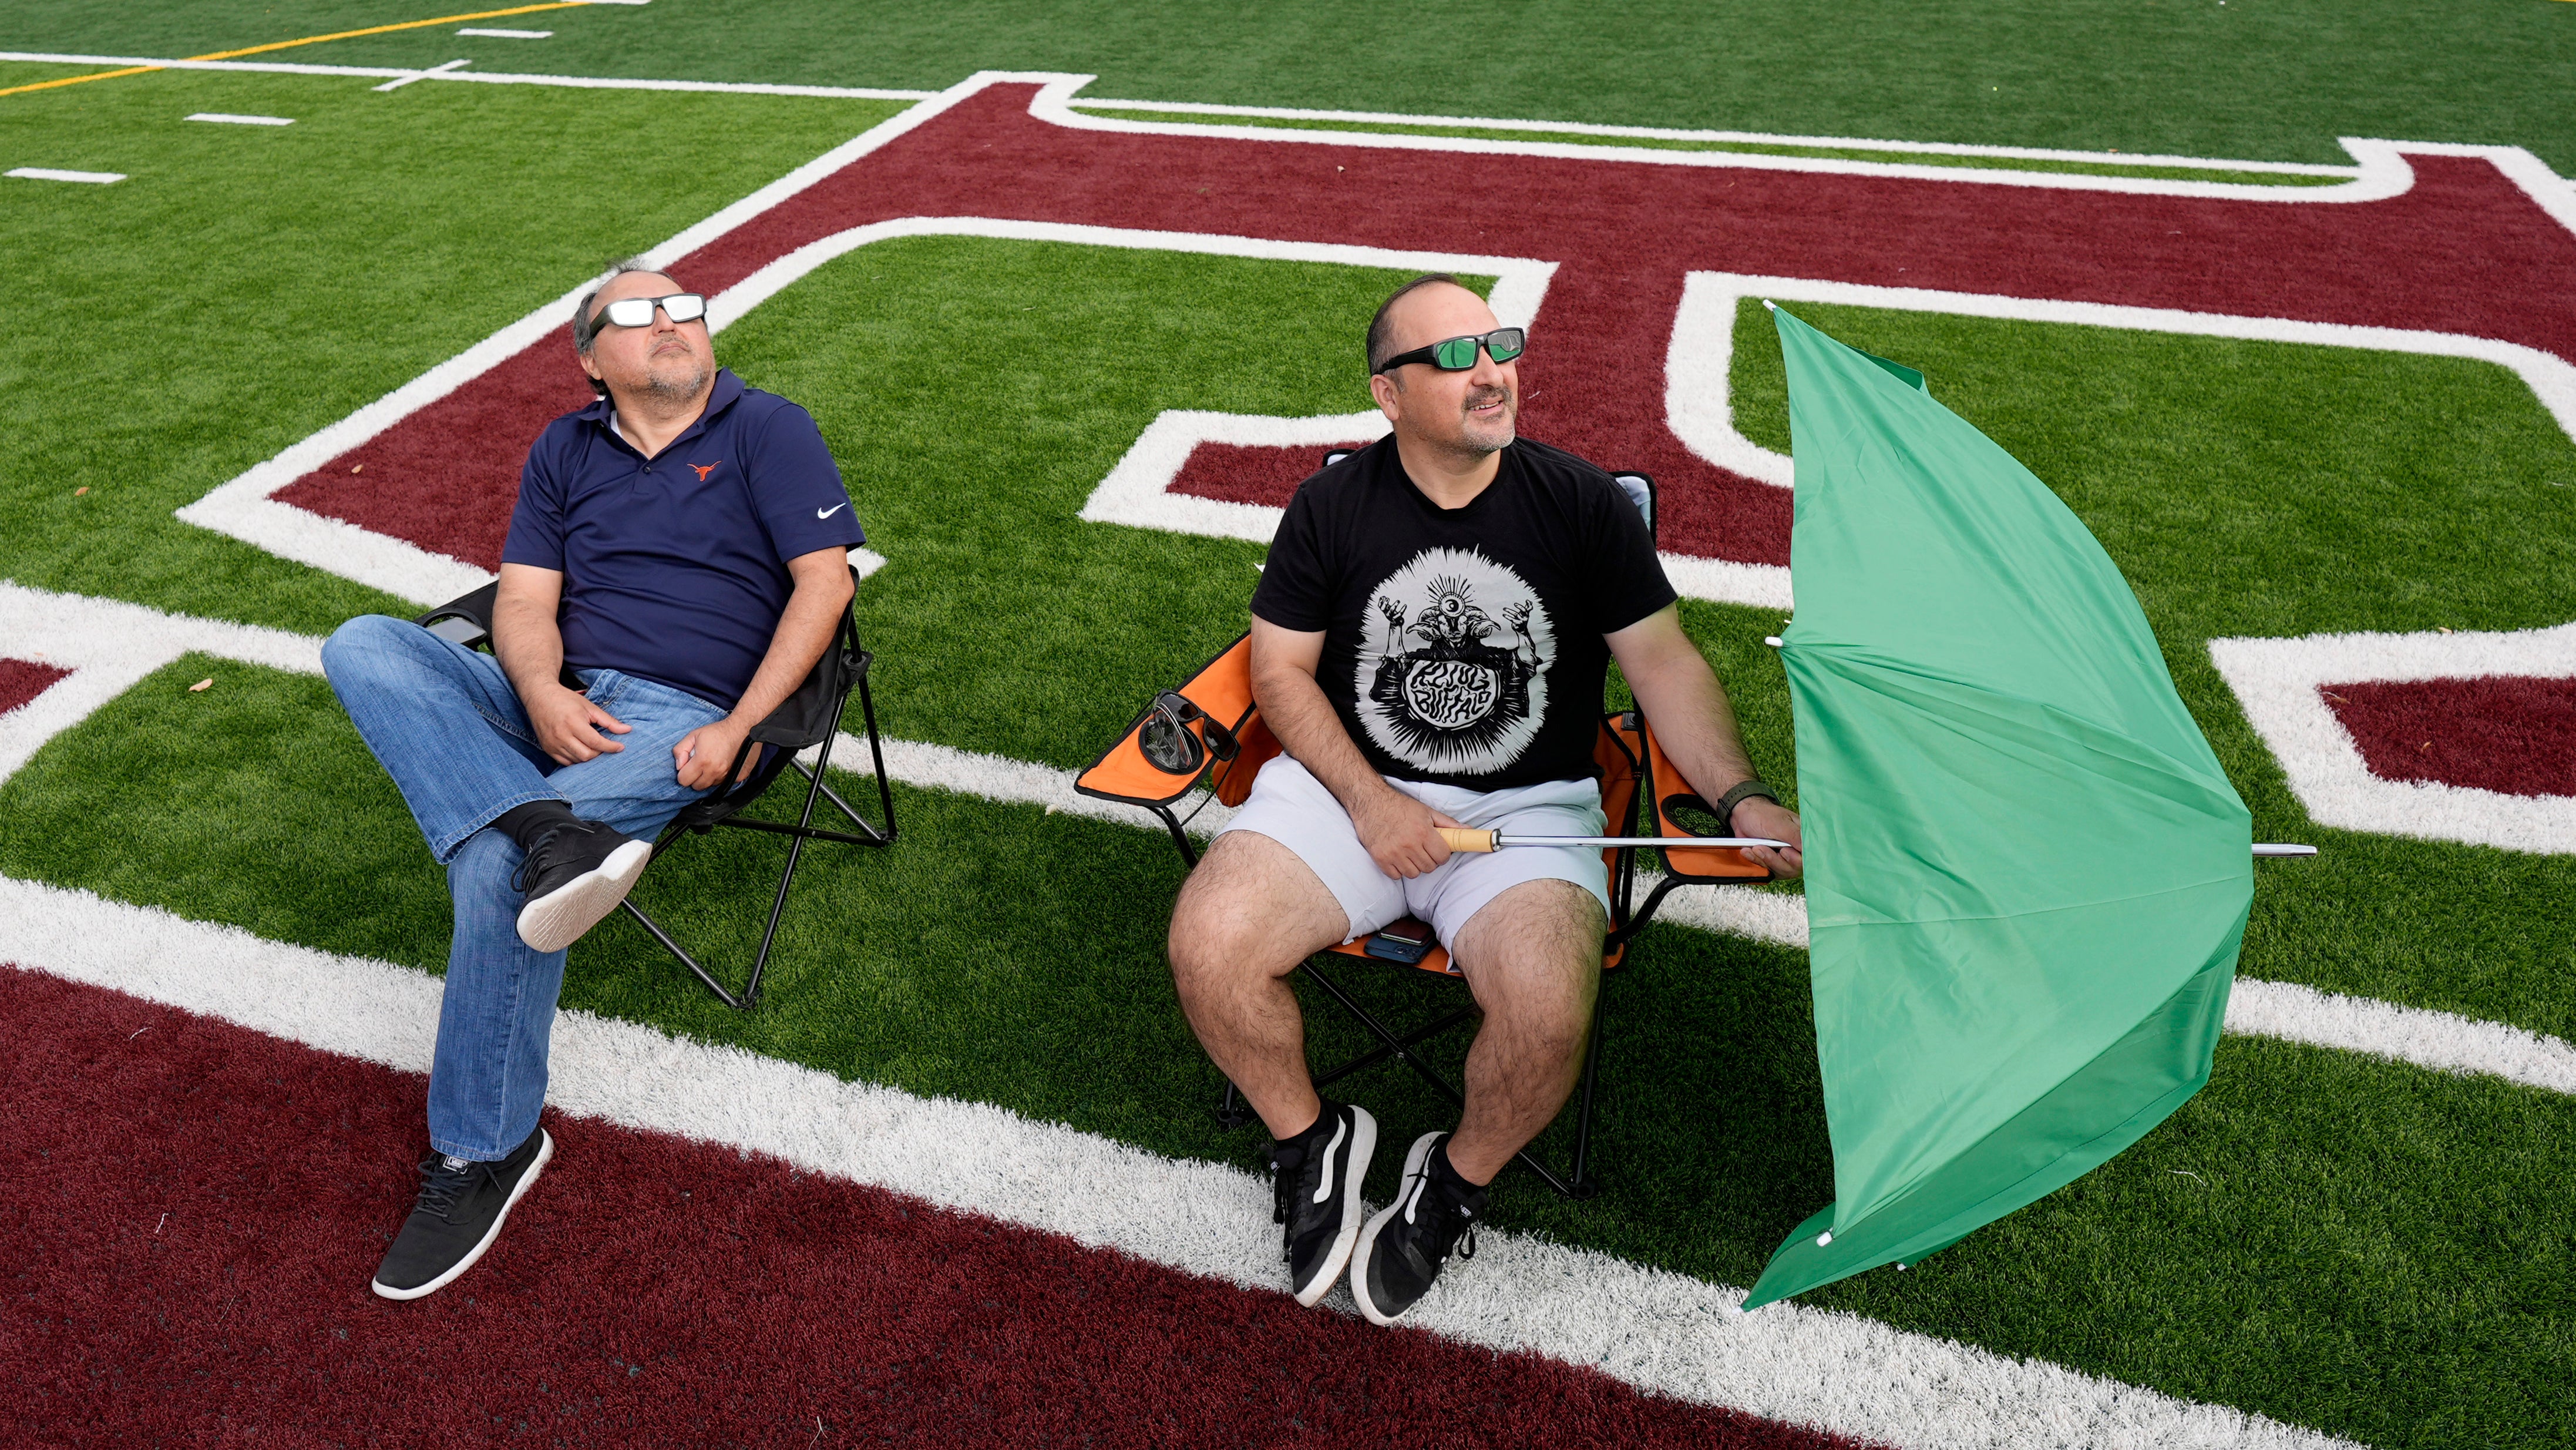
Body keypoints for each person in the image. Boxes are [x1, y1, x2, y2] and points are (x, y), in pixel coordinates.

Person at [1166, 274, 1803, 1325]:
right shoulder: (1331, 505)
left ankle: (1450, 1182)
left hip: (1527, 815)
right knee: (1208, 947)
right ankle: (1309, 1141)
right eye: (1454, 357)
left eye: (1499, 345)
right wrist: (1371, 805)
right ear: (1388, 392)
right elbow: (1279, 673)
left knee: (1549, 1015)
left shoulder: (1582, 504)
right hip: (1346, 795)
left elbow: (1663, 665)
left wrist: (1742, 799)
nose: (1491, 372)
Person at [320, 259, 865, 1300]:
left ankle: (485, 1150)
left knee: (493, 871)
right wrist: (537, 692)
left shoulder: (768, 428)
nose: (672, 324)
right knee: (365, 643)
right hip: (558, 699)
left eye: (683, 308)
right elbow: (524, 599)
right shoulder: (564, 447)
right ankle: (543, 823)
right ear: (588, 357)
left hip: (684, 718)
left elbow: (825, 585)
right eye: (639, 314)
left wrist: (744, 728)